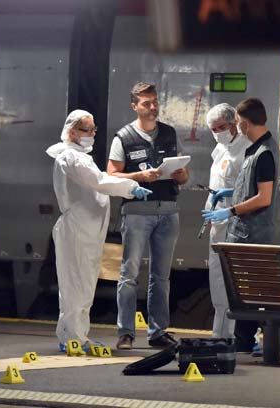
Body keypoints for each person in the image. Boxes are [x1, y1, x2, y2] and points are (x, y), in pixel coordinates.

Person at [46, 109, 152, 351]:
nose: (93, 134)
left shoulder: (80, 157)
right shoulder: (71, 158)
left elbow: (98, 180)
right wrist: (131, 186)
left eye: (94, 129)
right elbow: (100, 182)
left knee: (84, 283)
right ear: (72, 132)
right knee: (76, 284)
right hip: (78, 230)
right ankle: (71, 337)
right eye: (87, 129)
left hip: (87, 231)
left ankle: (77, 336)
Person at [202, 98, 280, 356]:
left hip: (258, 234)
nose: (237, 129)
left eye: (238, 123)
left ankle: (278, 343)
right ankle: (244, 340)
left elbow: (264, 197)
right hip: (257, 233)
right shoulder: (264, 149)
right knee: (251, 290)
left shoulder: (263, 154)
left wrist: (228, 210)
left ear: (246, 122)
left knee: (263, 290)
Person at [107, 82, 189, 350]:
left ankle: (158, 332)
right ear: (135, 106)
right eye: (146, 103)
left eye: (155, 102)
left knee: (161, 276)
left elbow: (184, 175)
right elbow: (111, 175)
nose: (153, 107)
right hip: (136, 213)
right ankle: (126, 333)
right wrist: (139, 176)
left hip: (168, 211)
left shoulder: (168, 133)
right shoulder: (123, 137)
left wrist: (181, 173)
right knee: (129, 274)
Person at [203, 103, 249, 340]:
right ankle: (219, 334)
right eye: (213, 129)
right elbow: (215, 183)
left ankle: (236, 334)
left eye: (221, 127)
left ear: (233, 124)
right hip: (218, 221)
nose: (217, 132)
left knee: (234, 279)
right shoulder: (220, 149)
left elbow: (249, 189)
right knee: (217, 278)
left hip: (235, 221)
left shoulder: (247, 149)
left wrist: (227, 199)